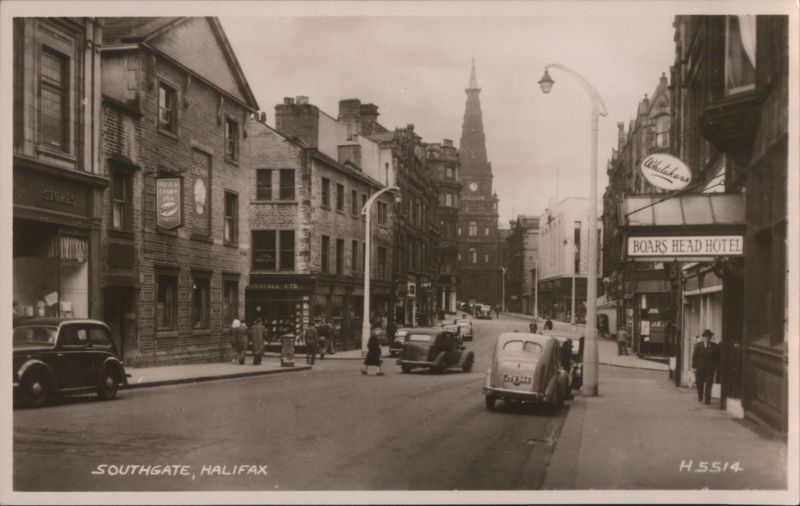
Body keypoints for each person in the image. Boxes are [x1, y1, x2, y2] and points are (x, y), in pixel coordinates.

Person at [692, 329, 719, 404]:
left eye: (709, 337)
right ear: (703, 337)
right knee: (699, 383)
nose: (707, 338)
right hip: (700, 368)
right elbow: (695, 356)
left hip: (710, 368)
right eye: (706, 337)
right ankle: (700, 396)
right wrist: (694, 367)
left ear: (710, 337)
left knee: (709, 383)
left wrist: (716, 366)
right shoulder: (698, 345)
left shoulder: (714, 346)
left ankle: (707, 399)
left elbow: (717, 357)